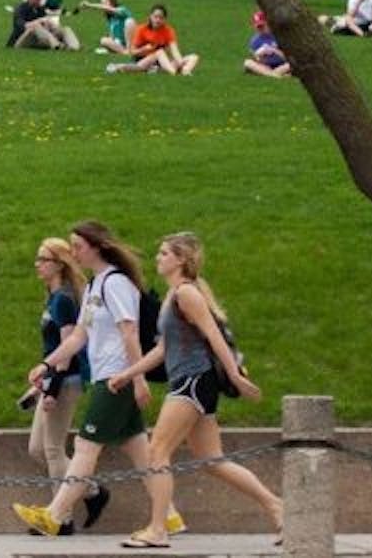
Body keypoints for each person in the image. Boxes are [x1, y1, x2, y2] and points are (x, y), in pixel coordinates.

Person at [106, 233, 280, 549]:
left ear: (180, 260)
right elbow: (162, 349)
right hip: (191, 381)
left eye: (163, 253)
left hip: (193, 381)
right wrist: (128, 374)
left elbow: (214, 336)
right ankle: (279, 508)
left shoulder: (186, 293)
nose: (157, 258)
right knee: (211, 460)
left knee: (157, 451)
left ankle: (158, 529)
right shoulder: (174, 296)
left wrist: (236, 376)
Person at [14, 221, 184, 540]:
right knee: (140, 451)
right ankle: (170, 516)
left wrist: (137, 379)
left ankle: (55, 514)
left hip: (117, 377)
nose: (74, 252)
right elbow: (80, 335)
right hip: (110, 375)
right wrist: (46, 364)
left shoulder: (116, 284)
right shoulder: (94, 286)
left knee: (85, 446)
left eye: (78, 246)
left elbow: (129, 331)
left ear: (96, 247)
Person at [27, 238, 91, 510]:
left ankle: (59, 518)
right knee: (37, 449)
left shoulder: (64, 300)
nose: (37, 264)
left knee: (53, 449)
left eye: (44, 259)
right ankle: (91, 491)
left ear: (60, 264)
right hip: (53, 378)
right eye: (38, 258)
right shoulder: (54, 297)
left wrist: (52, 389)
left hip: (65, 380)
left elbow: (68, 349)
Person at [106, 4, 199, 75]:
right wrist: (145, 49)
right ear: (150, 17)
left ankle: (185, 71)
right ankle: (173, 72)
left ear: (165, 19)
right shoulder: (142, 29)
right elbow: (132, 52)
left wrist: (180, 62)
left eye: (161, 18)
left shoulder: (168, 30)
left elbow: (174, 50)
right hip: (142, 60)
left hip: (161, 61)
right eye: (155, 17)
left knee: (194, 57)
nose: (158, 20)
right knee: (159, 52)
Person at [242, 11, 292, 78]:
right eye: (258, 27)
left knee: (293, 64)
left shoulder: (280, 36)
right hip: (266, 66)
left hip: (282, 64)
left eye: (262, 26)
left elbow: (288, 58)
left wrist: (274, 51)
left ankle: (271, 74)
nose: (260, 29)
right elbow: (257, 60)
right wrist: (259, 55)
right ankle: (276, 75)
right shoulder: (254, 41)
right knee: (247, 63)